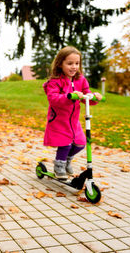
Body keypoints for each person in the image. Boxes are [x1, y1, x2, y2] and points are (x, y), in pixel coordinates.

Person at [43, 46, 102, 180]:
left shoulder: (81, 80)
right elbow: (53, 99)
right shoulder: (55, 81)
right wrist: (69, 96)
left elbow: (86, 96)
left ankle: (67, 160)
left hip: (73, 121)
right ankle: (59, 165)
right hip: (59, 120)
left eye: (77, 63)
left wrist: (94, 97)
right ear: (60, 64)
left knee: (81, 143)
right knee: (65, 143)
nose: (74, 67)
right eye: (69, 63)